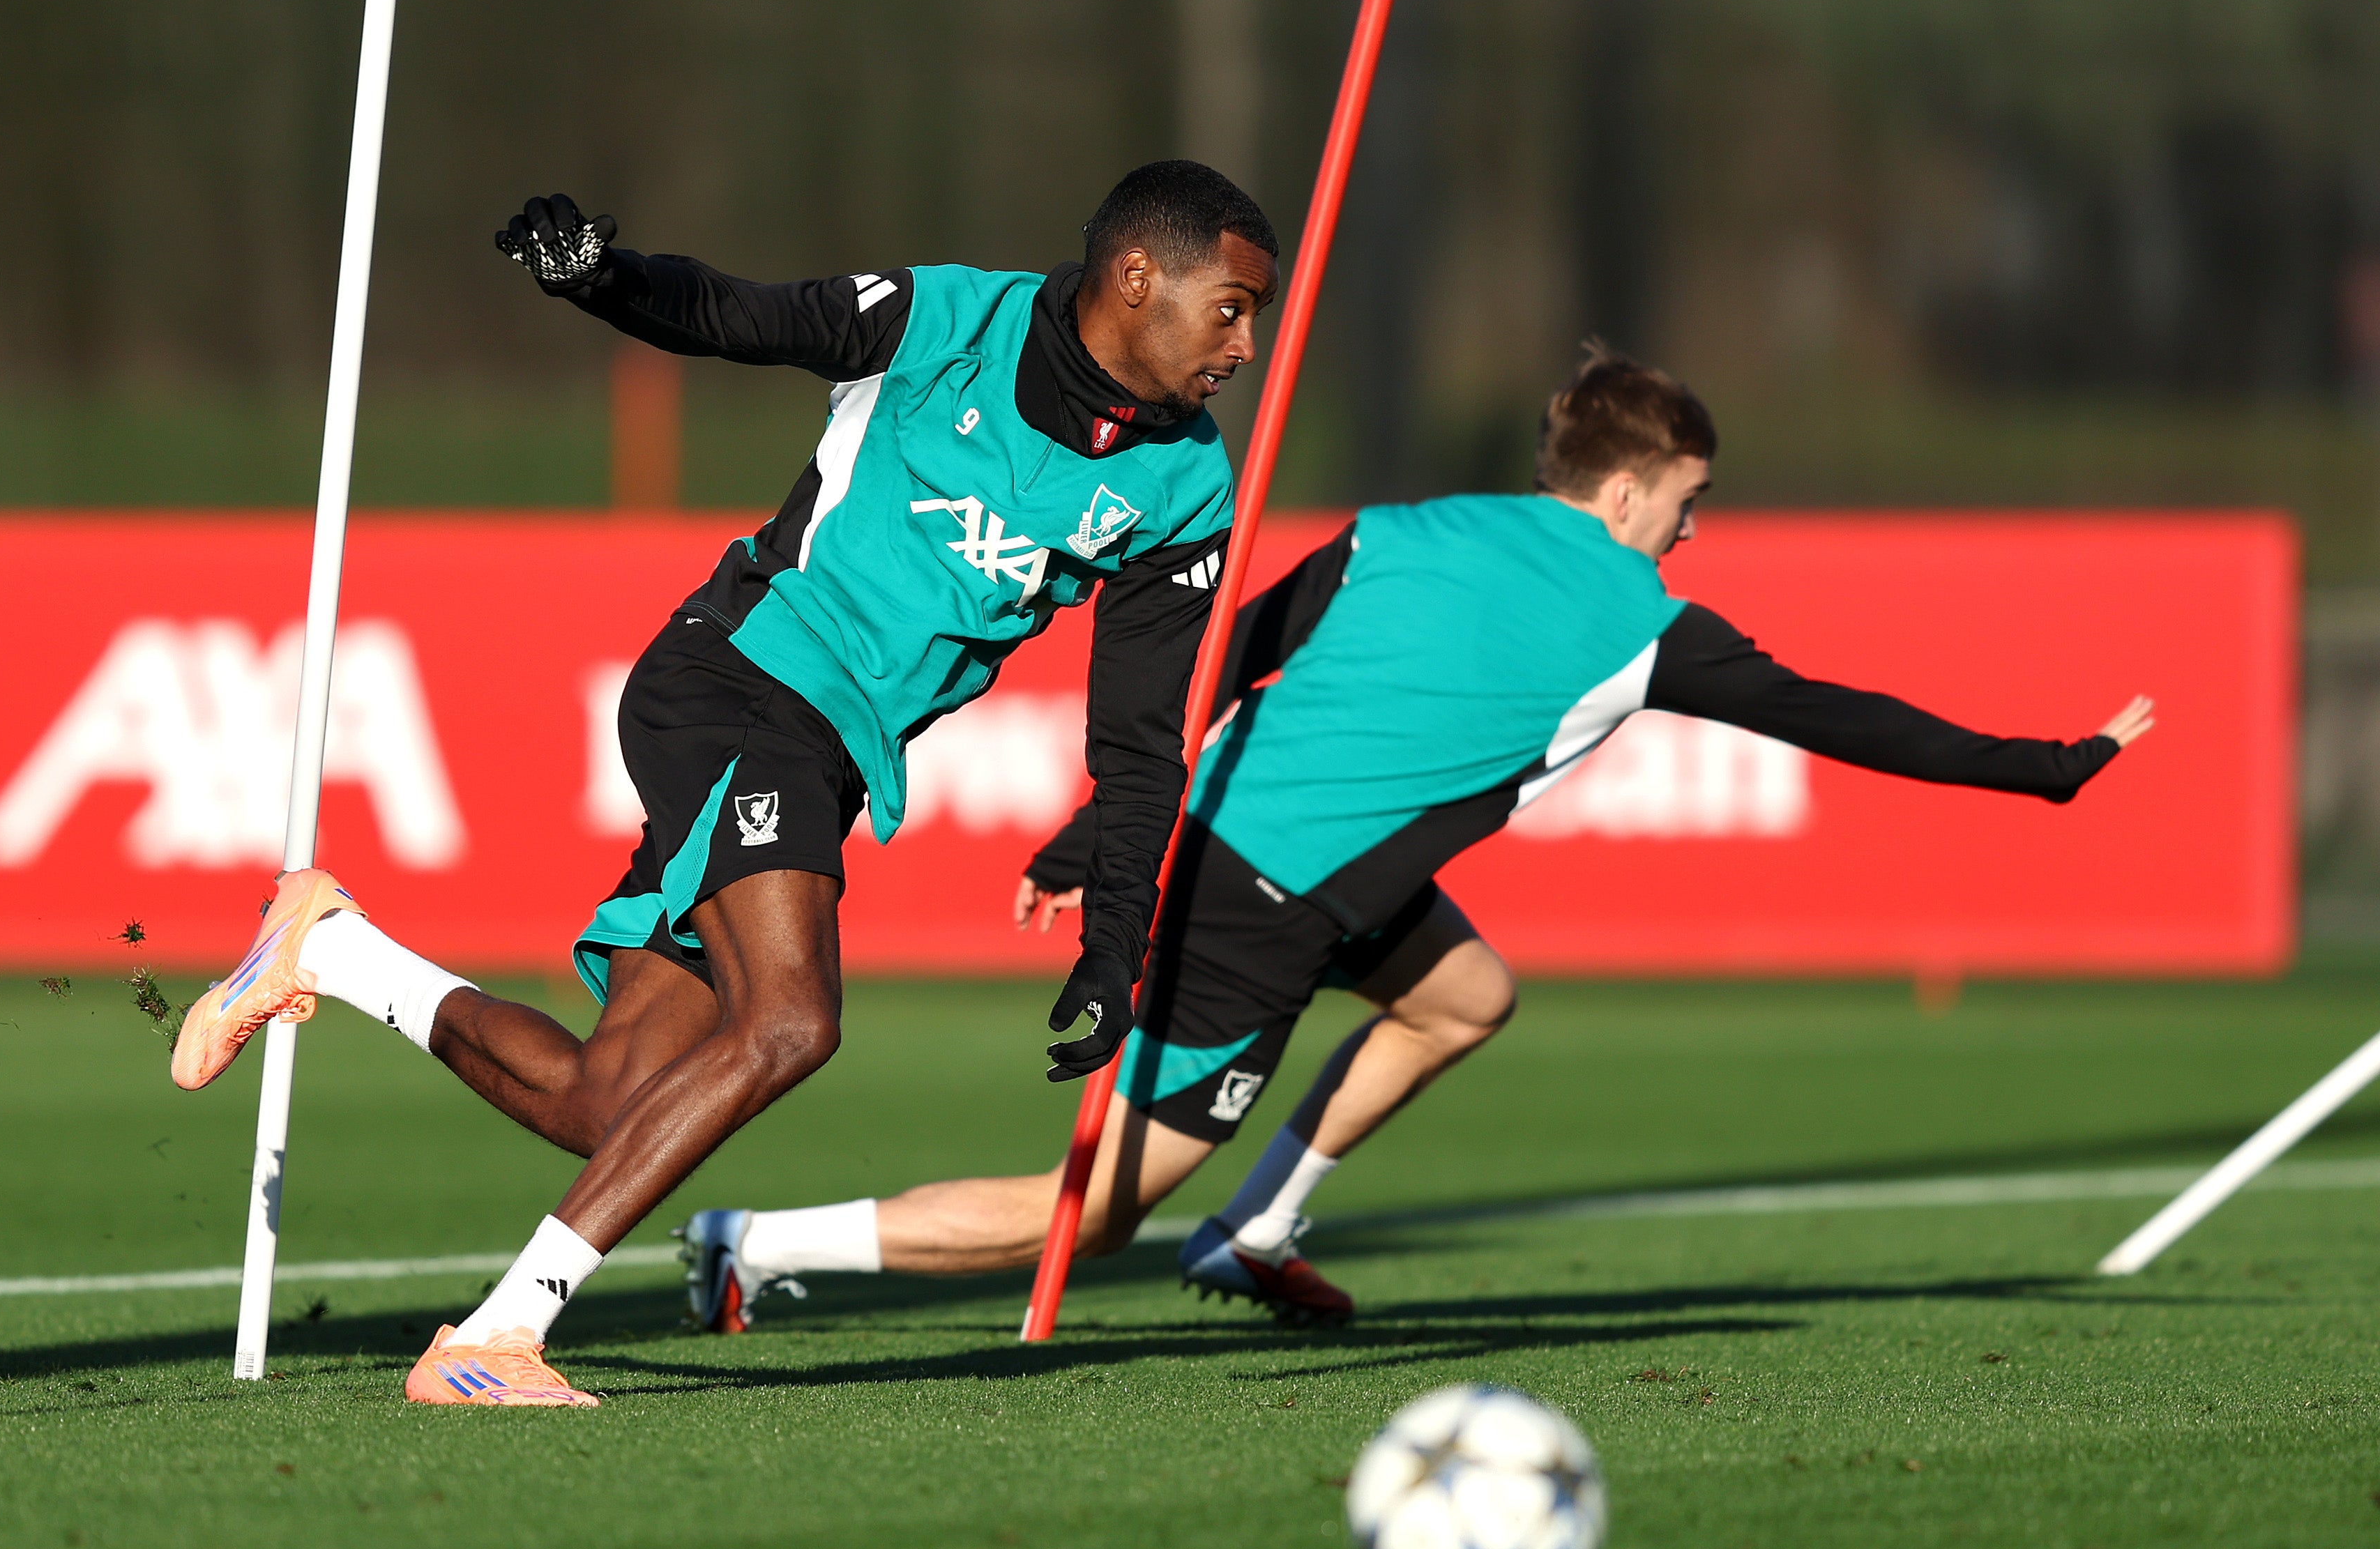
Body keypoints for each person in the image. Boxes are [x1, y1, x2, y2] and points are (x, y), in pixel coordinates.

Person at [679, 344, 2155, 1329]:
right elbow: (1846, 719)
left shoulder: (1405, 526)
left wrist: (1093, 828)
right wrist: (2044, 768)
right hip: (1254, 901)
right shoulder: (1644, 623)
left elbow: (1223, 658)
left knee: (1464, 995)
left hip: (1269, 857)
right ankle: (752, 1241)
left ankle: (1257, 1232)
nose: (1691, 534)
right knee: (1091, 1213)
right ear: (1632, 489)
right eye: (1688, 505)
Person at [162, 162, 1280, 1403]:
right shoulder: (940, 321)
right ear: (1137, 277)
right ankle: (495, 1337)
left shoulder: (1185, 484)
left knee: (613, 1102)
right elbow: (735, 314)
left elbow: (1137, 743)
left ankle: (332, 951)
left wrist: (1113, 945)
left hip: (833, 752)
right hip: (744, 678)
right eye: (1230, 306)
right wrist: (599, 280)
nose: (1244, 343)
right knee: (793, 1020)